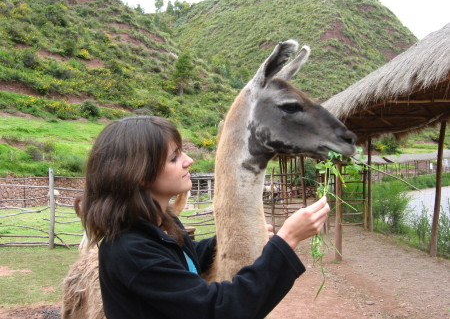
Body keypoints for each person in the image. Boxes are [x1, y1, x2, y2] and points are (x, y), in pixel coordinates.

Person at [81, 115, 330, 319]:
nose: (188, 161)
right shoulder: (131, 252)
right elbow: (218, 310)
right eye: (174, 157)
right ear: (140, 174)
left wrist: (238, 238)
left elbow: (183, 258)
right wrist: (286, 242)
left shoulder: (161, 226)